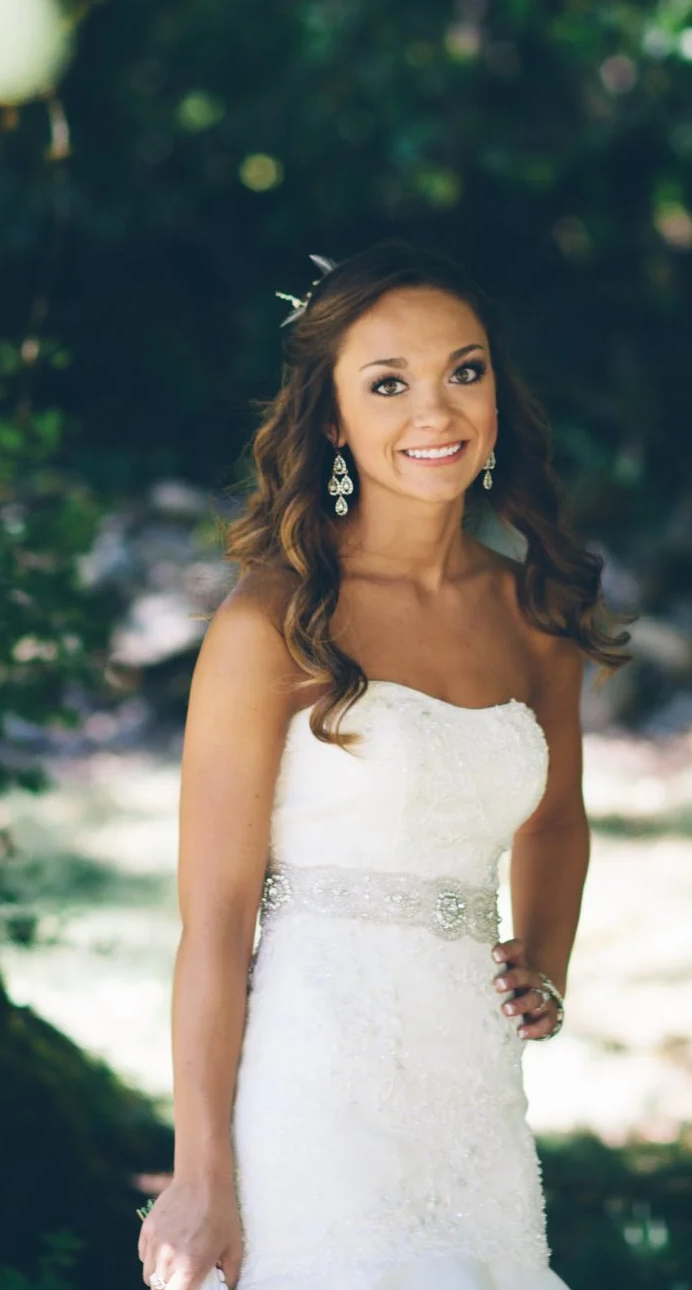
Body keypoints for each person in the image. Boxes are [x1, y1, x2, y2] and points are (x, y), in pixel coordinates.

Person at [136, 242, 629, 1290]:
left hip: (470, 1081)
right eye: (388, 384)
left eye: (465, 369)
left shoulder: (531, 611)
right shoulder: (271, 621)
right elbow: (215, 921)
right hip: (317, 1074)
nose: (437, 413)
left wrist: (544, 959)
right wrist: (199, 1170)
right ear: (331, 419)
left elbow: (554, 817)